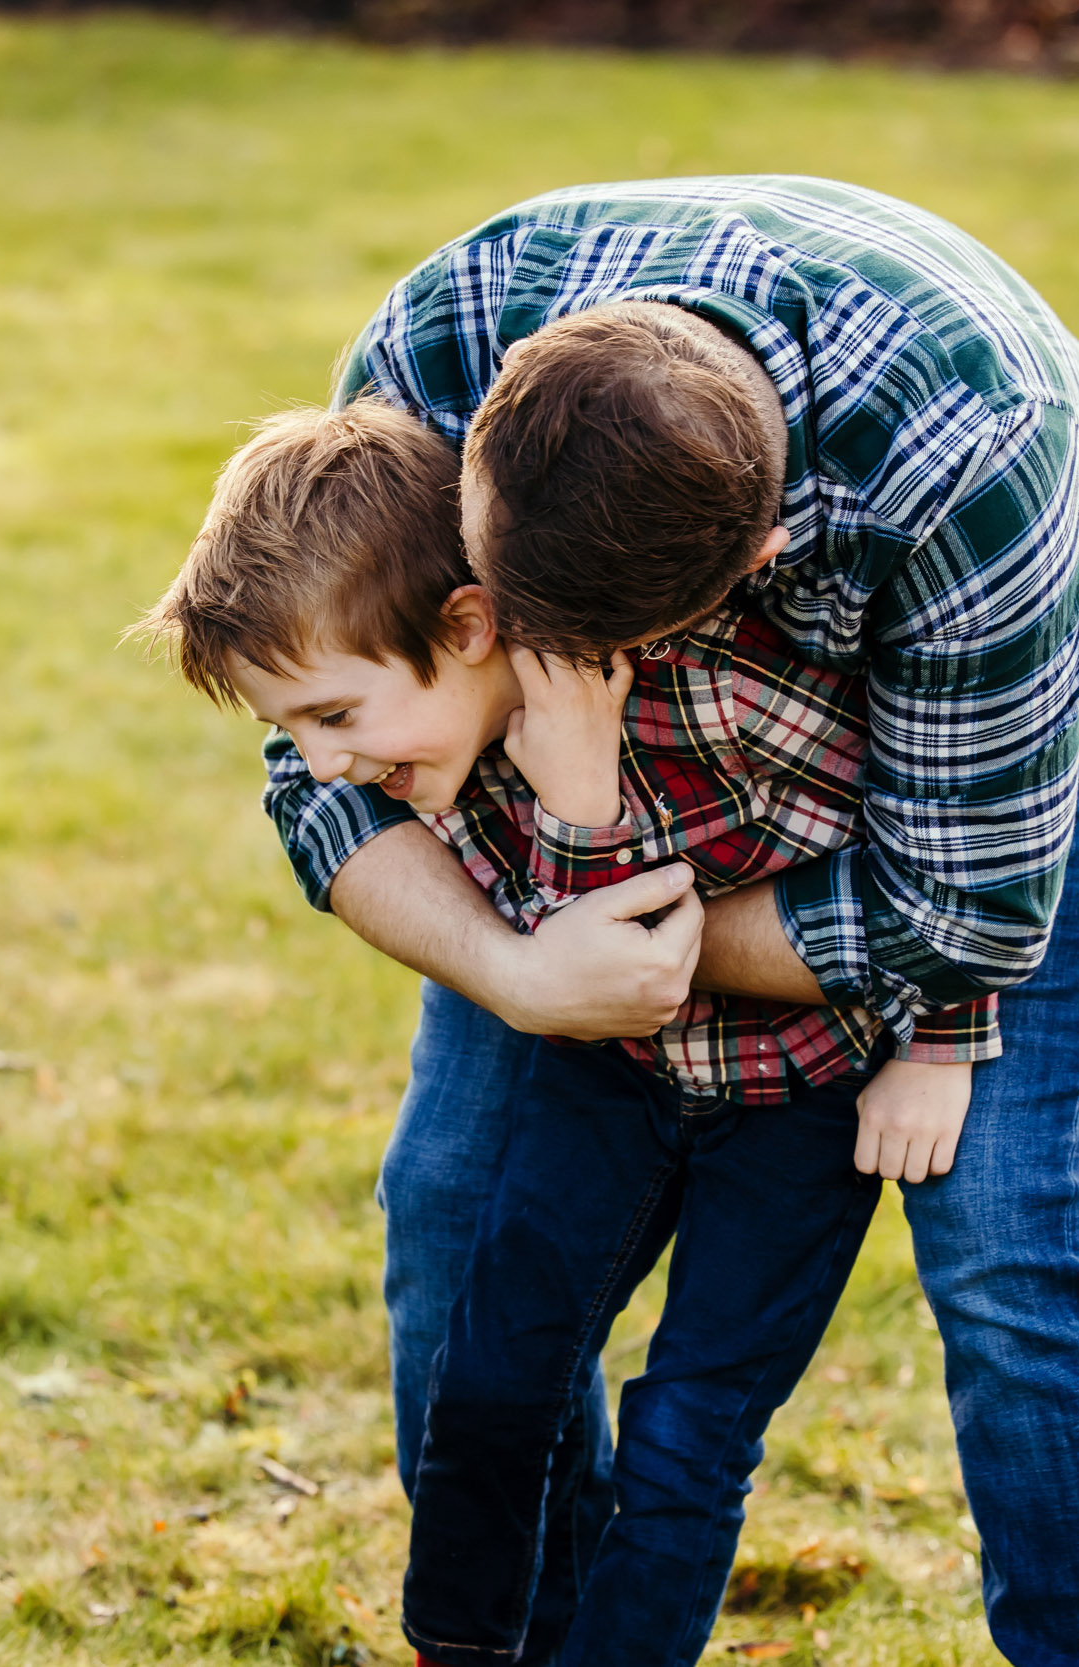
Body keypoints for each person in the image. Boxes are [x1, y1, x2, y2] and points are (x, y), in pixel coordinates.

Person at [268, 178, 1079, 1664]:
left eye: (595, 646)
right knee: (454, 1196)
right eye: (502, 613)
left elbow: (948, 906)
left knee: (1009, 1248)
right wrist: (521, 964)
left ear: (744, 578)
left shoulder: (977, 472)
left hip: (1019, 667)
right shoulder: (442, 352)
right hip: (604, 769)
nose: (527, 654)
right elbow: (316, 752)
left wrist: (638, 953)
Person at [136, 396, 993, 1662]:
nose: (321, 767)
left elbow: (933, 855)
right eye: (293, 732)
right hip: (615, 1077)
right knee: (490, 1368)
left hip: (796, 1104)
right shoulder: (438, 756)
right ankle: (467, 1644)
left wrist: (937, 1041)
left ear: (469, 625)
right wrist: (570, 811)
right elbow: (570, 950)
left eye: (333, 716)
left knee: (686, 1438)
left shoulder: (718, 693)